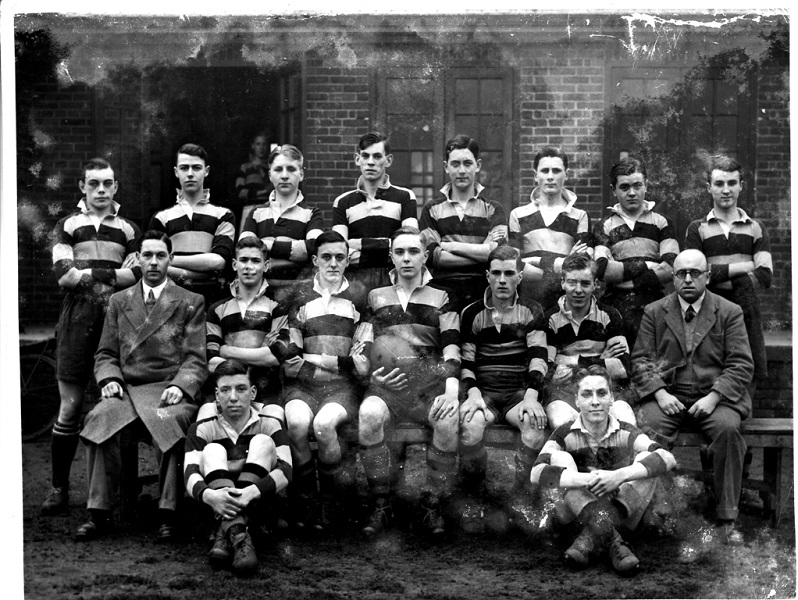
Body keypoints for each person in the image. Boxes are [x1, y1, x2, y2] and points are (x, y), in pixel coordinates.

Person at [77, 230, 208, 541]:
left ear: (170, 260)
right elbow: (106, 353)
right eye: (147, 255)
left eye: (160, 256)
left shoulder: (190, 301)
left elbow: (196, 358)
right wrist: (109, 379)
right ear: (137, 259)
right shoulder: (119, 301)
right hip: (127, 389)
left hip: (167, 389)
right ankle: (99, 512)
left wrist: (182, 385)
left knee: (171, 422)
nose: (153, 262)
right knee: (100, 417)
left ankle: (168, 513)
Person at [632, 249, 754, 544]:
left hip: (715, 398)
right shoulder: (655, 311)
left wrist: (714, 397)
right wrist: (660, 394)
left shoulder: (728, 311)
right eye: (681, 274)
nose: (687, 279)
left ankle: (727, 516)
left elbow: (741, 363)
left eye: (695, 273)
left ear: (708, 277)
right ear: (672, 278)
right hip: (670, 396)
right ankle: (650, 511)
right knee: (647, 430)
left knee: (727, 431)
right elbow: (641, 361)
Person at [42, 157, 142, 515]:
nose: (102, 190)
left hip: (117, 318)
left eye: (108, 183)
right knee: (69, 408)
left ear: (116, 187)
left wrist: (87, 270)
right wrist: (114, 272)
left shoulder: (128, 229)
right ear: (82, 187)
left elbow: (139, 277)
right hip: (77, 316)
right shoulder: (67, 225)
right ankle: (58, 488)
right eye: (94, 183)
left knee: (121, 404)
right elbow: (63, 276)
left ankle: (126, 492)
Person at [358, 226, 460, 537]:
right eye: (399, 252)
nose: (406, 258)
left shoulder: (442, 296)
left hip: (428, 388)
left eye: (413, 252)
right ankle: (382, 503)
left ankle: (432, 504)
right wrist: (368, 372)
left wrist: (452, 391)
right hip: (386, 388)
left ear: (425, 256)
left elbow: (452, 346)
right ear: (391, 256)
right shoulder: (376, 297)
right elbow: (361, 346)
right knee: (369, 416)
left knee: (447, 421)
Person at [531, 366, 677, 573]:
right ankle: (614, 540)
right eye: (587, 394)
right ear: (577, 401)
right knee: (559, 457)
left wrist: (619, 476)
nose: (595, 401)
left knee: (647, 459)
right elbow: (536, 472)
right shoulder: (564, 433)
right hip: (575, 515)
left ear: (611, 399)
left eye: (602, 393)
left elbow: (667, 457)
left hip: (624, 510)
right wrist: (587, 480)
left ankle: (590, 537)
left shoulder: (625, 431)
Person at [280, 230, 369, 531]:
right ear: (315, 260)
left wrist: (315, 358)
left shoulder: (360, 299)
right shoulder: (299, 298)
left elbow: (361, 364)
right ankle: (306, 498)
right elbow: (291, 361)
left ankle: (333, 500)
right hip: (302, 387)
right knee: (296, 424)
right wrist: (338, 363)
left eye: (339, 257)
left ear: (347, 261)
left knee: (324, 425)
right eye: (326, 257)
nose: (333, 263)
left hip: (342, 390)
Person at [458, 245, 548, 533]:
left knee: (533, 427)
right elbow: (466, 363)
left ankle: (522, 500)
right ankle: (474, 500)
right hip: (483, 392)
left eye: (509, 273)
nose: (502, 280)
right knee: (470, 425)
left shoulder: (532, 310)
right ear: (487, 276)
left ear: (520, 276)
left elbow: (538, 358)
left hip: (517, 393)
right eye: (496, 273)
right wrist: (473, 395)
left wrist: (532, 397)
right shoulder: (472, 312)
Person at [184, 359, 292, 576]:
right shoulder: (202, 428)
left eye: (240, 389)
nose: (233, 397)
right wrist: (210, 497)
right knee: (213, 450)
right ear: (217, 396)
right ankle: (240, 537)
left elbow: (287, 469)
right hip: (215, 507)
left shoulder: (270, 423)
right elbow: (189, 473)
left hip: (259, 506)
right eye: (225, 390)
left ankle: (226, 533)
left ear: (252, 393)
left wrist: (251, 492)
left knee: (262, 442)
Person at [684, 155, 772, 394]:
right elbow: (694, 275)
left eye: (732, 183)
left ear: (741, 185)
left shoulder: (756, 227)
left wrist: (717, 273)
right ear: (709, 187)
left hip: (746, 311)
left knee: (746, 364)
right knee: (711, 366)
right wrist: (745, 267)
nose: (726, 190)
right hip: (710, 311)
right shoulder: (697, 228)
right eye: (719, 184)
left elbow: (764, 275)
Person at [202, 236, 290, 425]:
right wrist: (260, 352)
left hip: (266, 391)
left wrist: (227, 351)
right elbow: (211, 362)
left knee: (273, 424)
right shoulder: (217, 309)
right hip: (227, 391)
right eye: (243, 260)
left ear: (266, 266)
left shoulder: (277, 307)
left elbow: (275, 358)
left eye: (255, 261)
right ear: (234, 264)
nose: (248, 266)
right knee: (204, 420)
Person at [593, 157, 679, 349]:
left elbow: (670, 266)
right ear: (613, 190)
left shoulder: (662, 222)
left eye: (637, 185)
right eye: (624, 187)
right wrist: (647, 266)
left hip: (653, 301)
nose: (632, 193)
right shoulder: (604, 226)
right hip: (615, 305)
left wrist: (628, 278)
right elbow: (602, 269)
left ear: (646, 186)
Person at [543, 254, 635, 430]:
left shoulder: (610, 316)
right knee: (565, 425)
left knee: (626, 421)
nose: (578, 290)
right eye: (572, 282)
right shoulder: (550, 319)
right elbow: (550, 372)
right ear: (562, 282)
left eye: (585, 283)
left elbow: (623, 368)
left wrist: (569, 361)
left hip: (604, 388)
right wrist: (601, 361)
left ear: (595, 284)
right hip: (564, 393)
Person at [419, 135, 507, 314]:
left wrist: (448, 246)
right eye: (455, 164)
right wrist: (482, 252)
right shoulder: (431, 209)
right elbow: (433, 258)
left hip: (482, 292)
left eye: (467, 163)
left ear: (478, 165)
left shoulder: (493, 209)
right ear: (446, 167)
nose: (461, 170)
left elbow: (497, 256)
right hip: (441, 292)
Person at [149, 143, 236, 306]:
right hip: (171, 301)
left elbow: (218, 262)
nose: (190, 174)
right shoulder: (161, 218)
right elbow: (155, 267)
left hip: (211, 300)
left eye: (196, 168)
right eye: (184, 168)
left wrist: (168, 259)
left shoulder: (223, 215)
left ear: (206, 171)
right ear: (176, 172)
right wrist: (204, 271)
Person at [333, 131, 419, 295]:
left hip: (393, 282)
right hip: (354, 284)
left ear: (388, 160)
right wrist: (388, 247)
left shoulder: (405, 197)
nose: (370, 162)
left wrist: (357, 244)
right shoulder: (343, 202)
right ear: (358, 159)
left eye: (377, 156)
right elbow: (340, 252)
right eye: (365, 156)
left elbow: (409, 245)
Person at [509, 145, 592, 311]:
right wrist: (561, 264)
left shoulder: (580, 216)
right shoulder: (518, 215)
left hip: (564, 304)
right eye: (545, 171)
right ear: (535, 176)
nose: (550, 177)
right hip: (528, 301)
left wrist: (533, 261)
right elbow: (514, 265)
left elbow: (579, 267)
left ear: (566, 175)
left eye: (556, 171)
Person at [240, 144, 323, 305]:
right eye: (278, 169)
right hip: (260, 296)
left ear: (301, 174)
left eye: (291, 169)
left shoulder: (312, 213)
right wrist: (294, 250)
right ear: (270, 175)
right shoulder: (256, 213)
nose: (284, 175)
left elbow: (313, 248)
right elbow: (246, 249)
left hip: (299, 297)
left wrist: (268, 245)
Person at [232, 132, 272, 231]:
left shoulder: (272, 167)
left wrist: (260, 168)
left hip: (268, 208)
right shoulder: (245, 168)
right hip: (249, 208)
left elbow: (273, 187)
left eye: (264, 144)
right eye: (258, 144)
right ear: (253, 146)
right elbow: (240, 192)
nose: (261, 147)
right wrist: (263, 192)